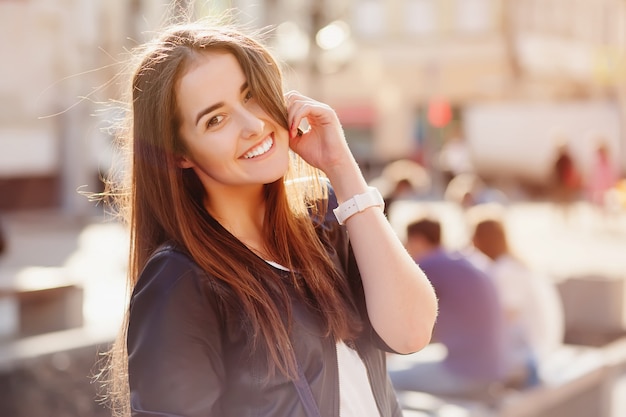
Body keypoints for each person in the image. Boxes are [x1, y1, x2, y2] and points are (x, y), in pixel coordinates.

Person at [99, 19, 438, 417]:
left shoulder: (326, 221)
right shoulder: (181, 280)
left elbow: (411, 333)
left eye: (252, 95)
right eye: (215, 119)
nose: (254, 125)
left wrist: (341, 166)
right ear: (179, 154)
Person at [387, 217, 513, 400]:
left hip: (467, 375)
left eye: (406, 243)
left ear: (417, 241)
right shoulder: (457, 260)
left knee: (384, 376)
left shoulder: (429, 266)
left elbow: (400, 318)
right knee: (403, 364)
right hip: (492, 368)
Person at [470, 210, 565, 379]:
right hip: (539, 346)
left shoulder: (506, 271)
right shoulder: (512, 265)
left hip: (532, 354)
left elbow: (505, 317)